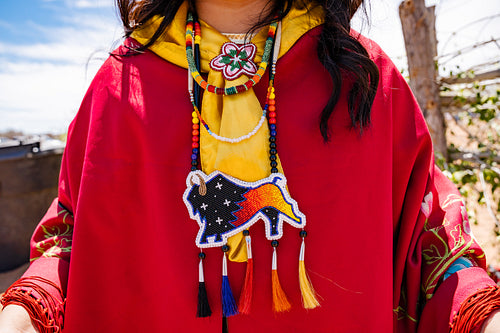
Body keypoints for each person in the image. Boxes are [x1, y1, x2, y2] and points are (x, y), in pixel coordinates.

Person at [0, 0, 499, 332]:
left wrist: (482, 315)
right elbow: (68, 244)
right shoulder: (118, 88)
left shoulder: (368, 82)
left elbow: (431, 251)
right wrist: (23, 315)